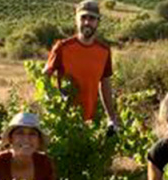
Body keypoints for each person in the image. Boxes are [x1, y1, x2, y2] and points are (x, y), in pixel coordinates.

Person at [43, 0, 118, 130]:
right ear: (76, 20)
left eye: (92, 18)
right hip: (64, 120)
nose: (87, 22)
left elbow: (105, 84)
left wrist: (111, 117)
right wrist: (53, 104)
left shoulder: (104, 51)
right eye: (83, 18)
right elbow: (45, 78)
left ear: (98, 22)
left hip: (90, 122)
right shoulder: (62, 47)